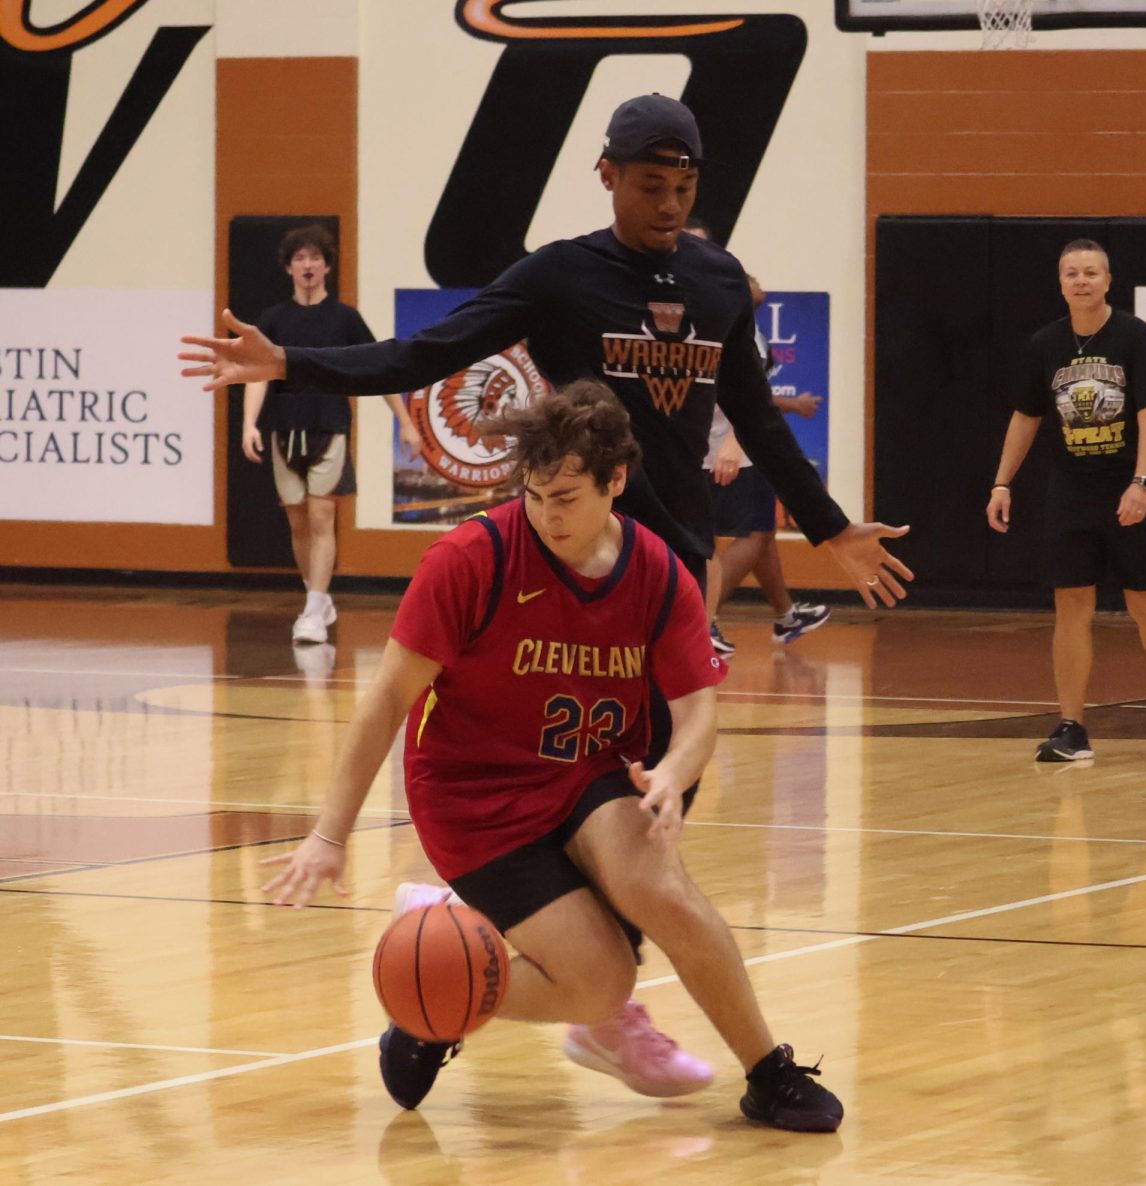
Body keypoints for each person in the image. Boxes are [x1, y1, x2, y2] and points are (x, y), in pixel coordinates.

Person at [182, 92, 912, 1078]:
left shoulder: (716, 281)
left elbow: (760, 417)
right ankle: (566, 992)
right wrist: (295, 360)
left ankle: (544, 988)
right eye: (649, 183)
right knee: (605, 833)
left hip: (664, 581)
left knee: (651, 830)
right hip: (573, 555)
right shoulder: (561, 276)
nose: (667, 201)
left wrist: (829, 529)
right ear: (606, 176)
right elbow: (422, 352)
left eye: (683, 186)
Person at [260, 382, 845, 1133]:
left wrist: (674, 773)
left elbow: (700, 712)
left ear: (615, 483)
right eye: (535, 495)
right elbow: (384, 703)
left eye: (567, 496)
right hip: (472, 797)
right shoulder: (473, 559)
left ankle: (769, 1073)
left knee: (658, 887)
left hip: (587, 775)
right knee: (604, 987)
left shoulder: (658, 572)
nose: (549, 514)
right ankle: (433, 989)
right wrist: (328, 834)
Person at [987, 238, 1146, 760]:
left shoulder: (1133, 336)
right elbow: (1027, 415)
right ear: (1060, 283)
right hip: (1072, 490)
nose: (1080, 280)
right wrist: (1001, 482)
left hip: (1130, 483)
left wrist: (1142, 482)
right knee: (1071, 605)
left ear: (1108, 281)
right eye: (1071, 273)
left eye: (1090, 272)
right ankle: (1072, 727)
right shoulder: (1045, 344)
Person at [242, 224, 421, 645]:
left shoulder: (345, 319)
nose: (308, 265)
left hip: (329, 427)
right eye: (300, 258)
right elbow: (256, 376)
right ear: (289, 267)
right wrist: (249, 423)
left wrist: (407, 423)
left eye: (315, 258)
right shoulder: (273, 319)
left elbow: (380, 371)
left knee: (323, 518)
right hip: (283, 431)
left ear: (326, 265)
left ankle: (313, 605)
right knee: (298, 522)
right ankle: (316, 599)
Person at [703, 268, 831, 656]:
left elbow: (750, 394)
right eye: (750, 278)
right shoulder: (743, 333)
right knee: (755, 535)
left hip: (723, 447)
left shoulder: (737, 329)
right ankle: (700, 624)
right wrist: (733, 443)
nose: (759, 284)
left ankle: (786, 616)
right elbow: (745, 400)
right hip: (735, 450)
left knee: (763, 533)